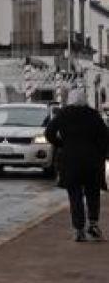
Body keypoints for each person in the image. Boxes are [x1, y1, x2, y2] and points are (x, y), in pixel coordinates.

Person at [44, 87, 109, 242]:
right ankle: (93, 224)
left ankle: (79, 229)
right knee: (93, 193)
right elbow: (106, 136)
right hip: (92, 162)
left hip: (71, 161)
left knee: (75, 195)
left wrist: (61, 144)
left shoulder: (63, 115)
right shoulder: (93, 115)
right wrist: (101, 152)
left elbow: (49, 133)